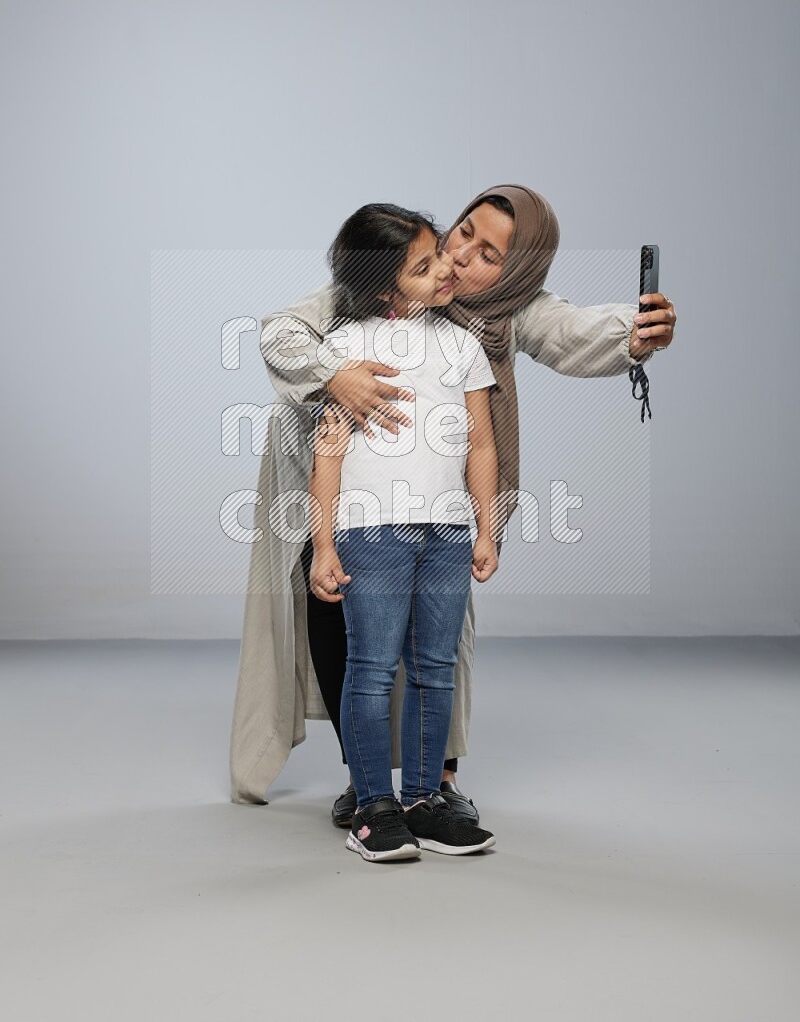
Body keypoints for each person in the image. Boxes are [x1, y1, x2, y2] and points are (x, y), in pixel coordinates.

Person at [229, 183, 677, 814]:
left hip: (437, 499)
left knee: (437, 635)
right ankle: (365, 778)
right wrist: (335, 374)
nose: (464, 257)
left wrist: (637, 330)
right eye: (465, 232)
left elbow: (571, 329)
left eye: (491, 255)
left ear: (514, 272)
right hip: (335, 479)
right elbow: (280, 333)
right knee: (334, 612)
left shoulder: (505, 311)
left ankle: (436, 778)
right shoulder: (381, 279)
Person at [307, 203, 500, 860]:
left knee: (435, 669)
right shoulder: (344, 347)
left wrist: (485, 528)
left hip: (447, 531)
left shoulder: (463, 344)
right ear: (385, 288)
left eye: (439, 252)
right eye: (425, 267)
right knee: (370, 669)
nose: (447, 267)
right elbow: (327, 450)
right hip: (373, 531)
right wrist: (325, 543)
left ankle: (422, 798)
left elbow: (480, 442)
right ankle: (373, 806)